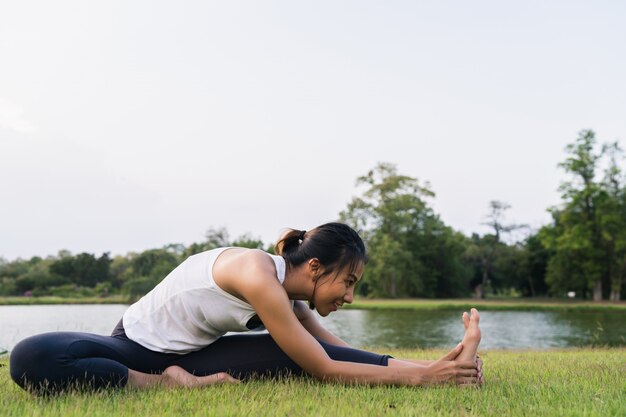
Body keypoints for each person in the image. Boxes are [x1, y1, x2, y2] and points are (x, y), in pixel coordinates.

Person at [10, 222, 483, 393]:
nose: (350, 296)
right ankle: (163, 387)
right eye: (348, 282)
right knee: (32, 356)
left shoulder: (287, 295)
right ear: (315, 267)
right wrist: (422, 377)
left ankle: (178, 376)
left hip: (191, 355)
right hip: (134, 348)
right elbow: (324, 369)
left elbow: (333, 352)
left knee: (289, 355)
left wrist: (437, 367)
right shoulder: (259, 276)